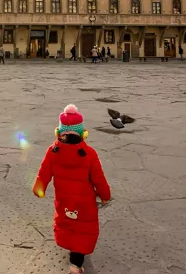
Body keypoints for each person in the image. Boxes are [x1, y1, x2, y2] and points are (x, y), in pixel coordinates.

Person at [32, 104, 112, 274]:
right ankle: (76, 264)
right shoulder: (89, 153)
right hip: (85, 202)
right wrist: (105, 195)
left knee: (67, 223)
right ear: (83, 133)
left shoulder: (52, 151)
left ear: (59, 133)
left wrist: (39, 189)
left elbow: (43, 172)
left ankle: (72, 252)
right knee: (83, 228)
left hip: (64, 199)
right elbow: (99, 178)